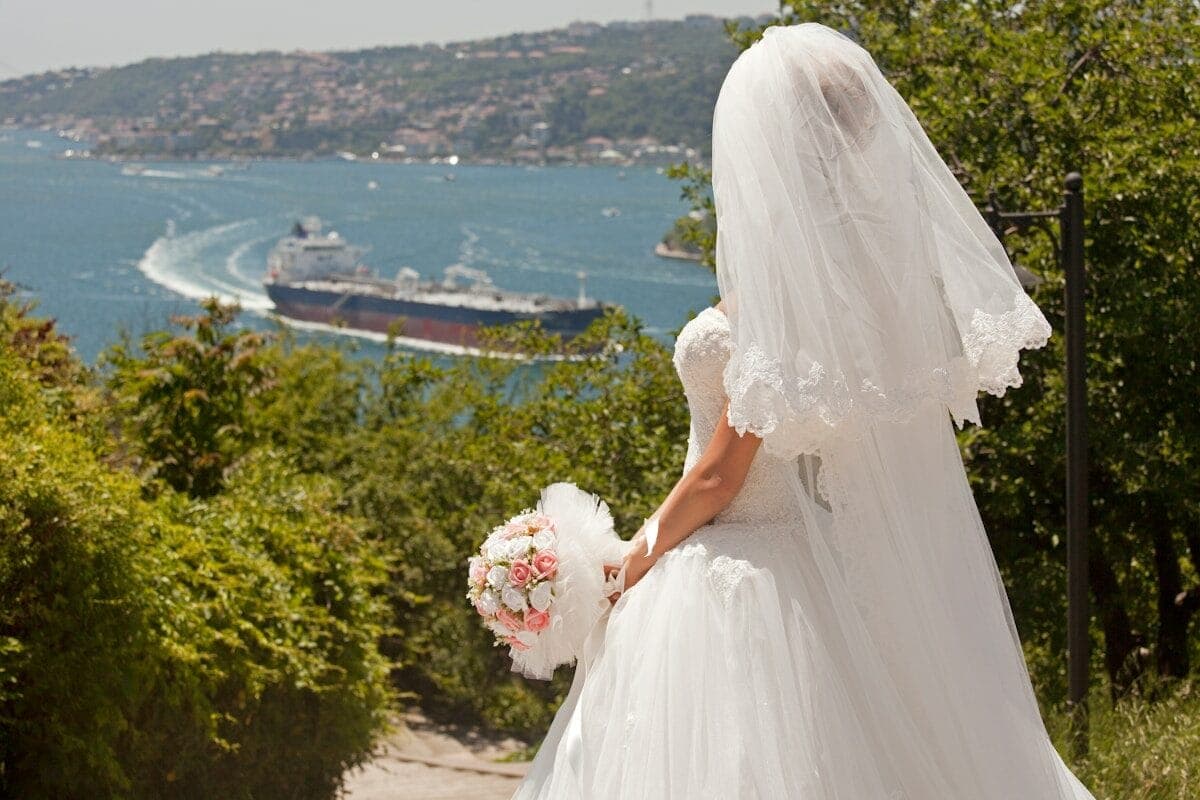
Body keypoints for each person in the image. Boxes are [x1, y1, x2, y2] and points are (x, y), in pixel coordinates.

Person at [512, 23, 1096, 799]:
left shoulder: (790, 294)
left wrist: (628, 563)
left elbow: (722, 475)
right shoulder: (849, 278)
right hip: (799, 564)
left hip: (738, 564)